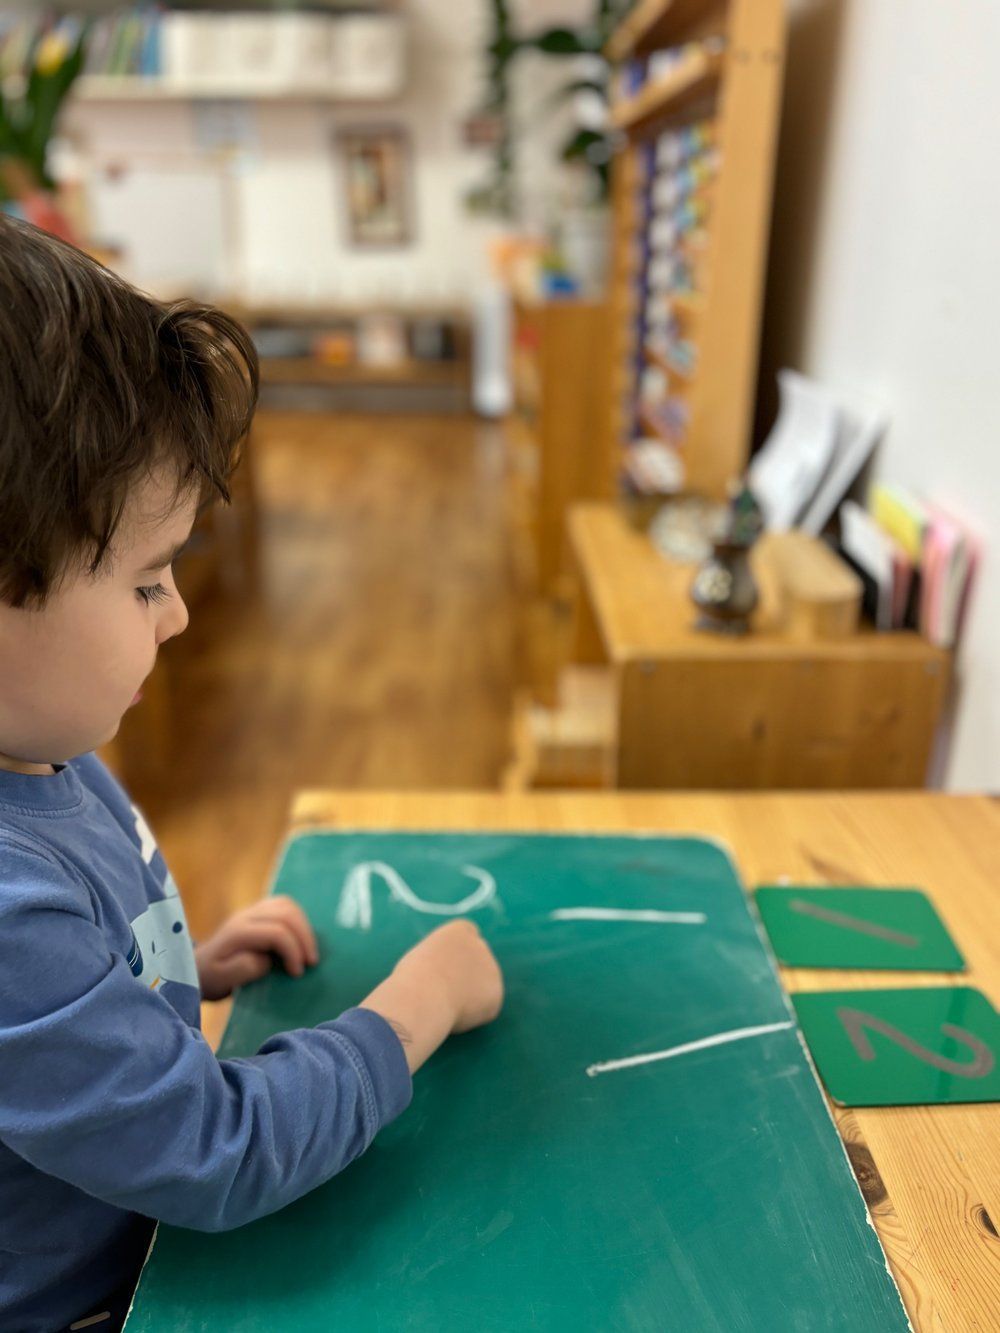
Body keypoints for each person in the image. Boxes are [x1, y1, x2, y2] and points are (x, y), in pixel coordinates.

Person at [0, 215, 504, 1333]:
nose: (178, 614)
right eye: (143, 583)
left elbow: (58, 985)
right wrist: (418, 1004)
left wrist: (169, 972)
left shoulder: (50, 749)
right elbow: (220, 1148)